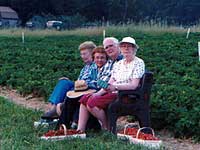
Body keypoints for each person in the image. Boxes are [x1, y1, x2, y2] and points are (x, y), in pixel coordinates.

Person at [77, 37, 145, 132]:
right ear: (120, 48)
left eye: (129, 47)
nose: (126, 49)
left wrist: (115, 87)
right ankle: (80, 130)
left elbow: (134, 85)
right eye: (124, 46)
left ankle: (107, 127)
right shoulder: (118, 64)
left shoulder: (138, 62)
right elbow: (110, 82)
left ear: (134, 49)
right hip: (113, 92)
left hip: (126, 94)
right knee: (85, 98)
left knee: (92, 102)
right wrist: (98, 93)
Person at [41, 41, 97, 119]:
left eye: (84, 54)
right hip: (80, 88)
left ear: (92, 53)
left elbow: (95, 81)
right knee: (63, 81)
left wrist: (76, 83)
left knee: (65, 83)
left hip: (88, 89)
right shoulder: (85, 67)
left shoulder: (96, 65)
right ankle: (55, 108)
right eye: (81, 54)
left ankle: (54, 110)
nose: (82, 56)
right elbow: (79, 81)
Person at [56, 46, 108, 129]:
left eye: (102, 58)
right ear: (94, 59)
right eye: (97, 58)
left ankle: (73, 123)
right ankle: (62, 126)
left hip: (99, 91)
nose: (99, 60)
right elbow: (88, 80)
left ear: (106, 59)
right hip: (89, 89)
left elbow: (103, 84)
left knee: (80, 98)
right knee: (71, 98)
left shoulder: (107, 67)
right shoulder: (93, 68)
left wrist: (89, 83)